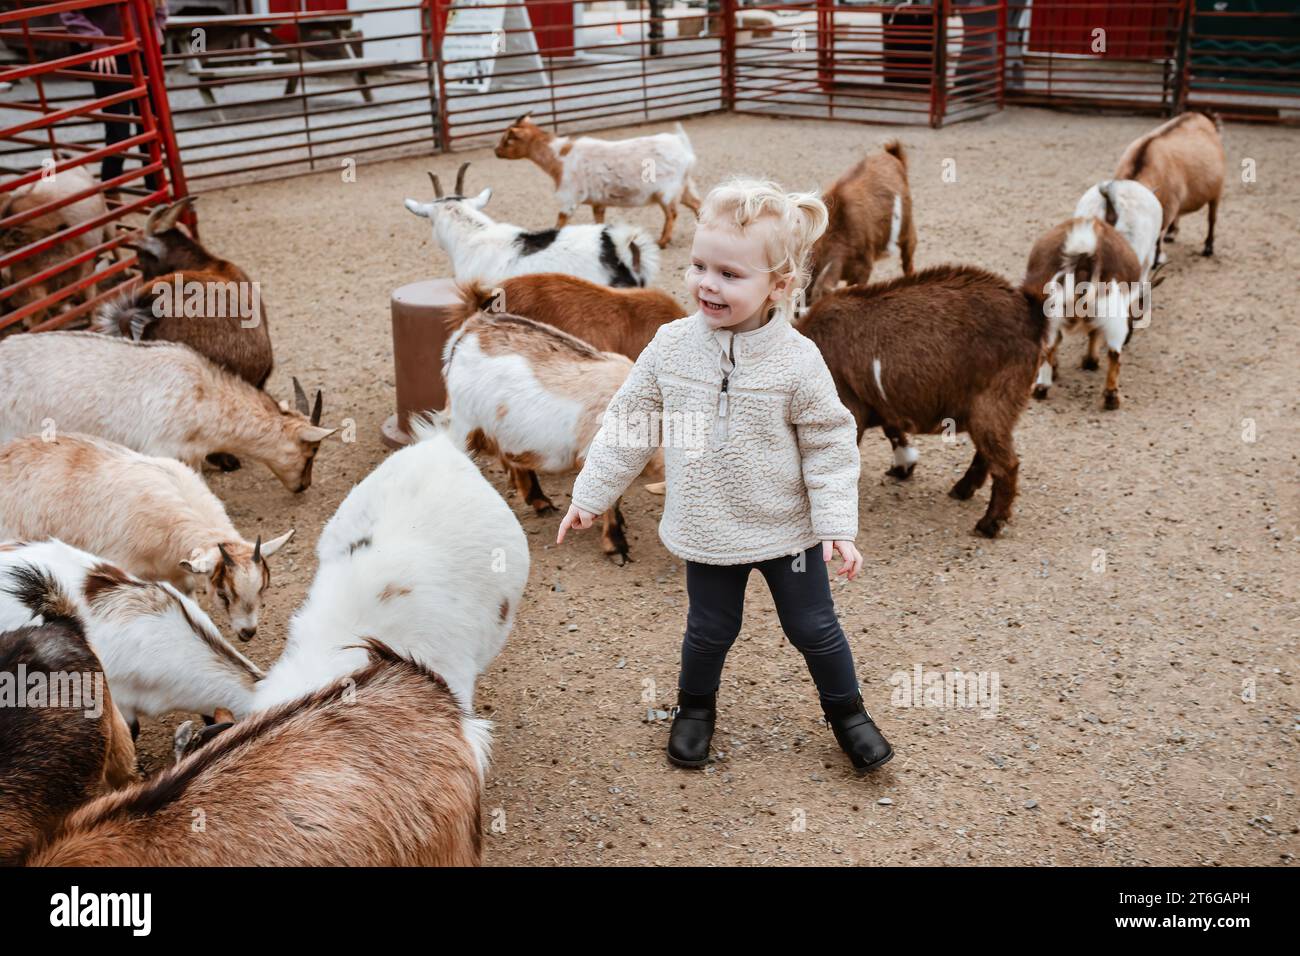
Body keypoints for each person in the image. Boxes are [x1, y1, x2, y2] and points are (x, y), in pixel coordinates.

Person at [557, 177, 894, 776]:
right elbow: (630, 423)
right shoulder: (669, 347)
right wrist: (592, 494)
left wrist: (837, 524)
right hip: (708, 526)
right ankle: (694, 709)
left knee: (814, 628)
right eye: (699, 266)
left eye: (731, 275)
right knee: (710, 629)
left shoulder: (797, 360)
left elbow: (829, 441)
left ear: (779, 286)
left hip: (787, 531)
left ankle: (849, 714)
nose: (707, 284)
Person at [60, 1, 168, 194]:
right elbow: (69, 12)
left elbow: (160, 5)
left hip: (146, 52)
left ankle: (156, 194)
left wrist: (156, 26)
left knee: (151, 129)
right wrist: (97, 40)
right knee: (119, 134)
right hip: (111, 57)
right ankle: (110, 196)